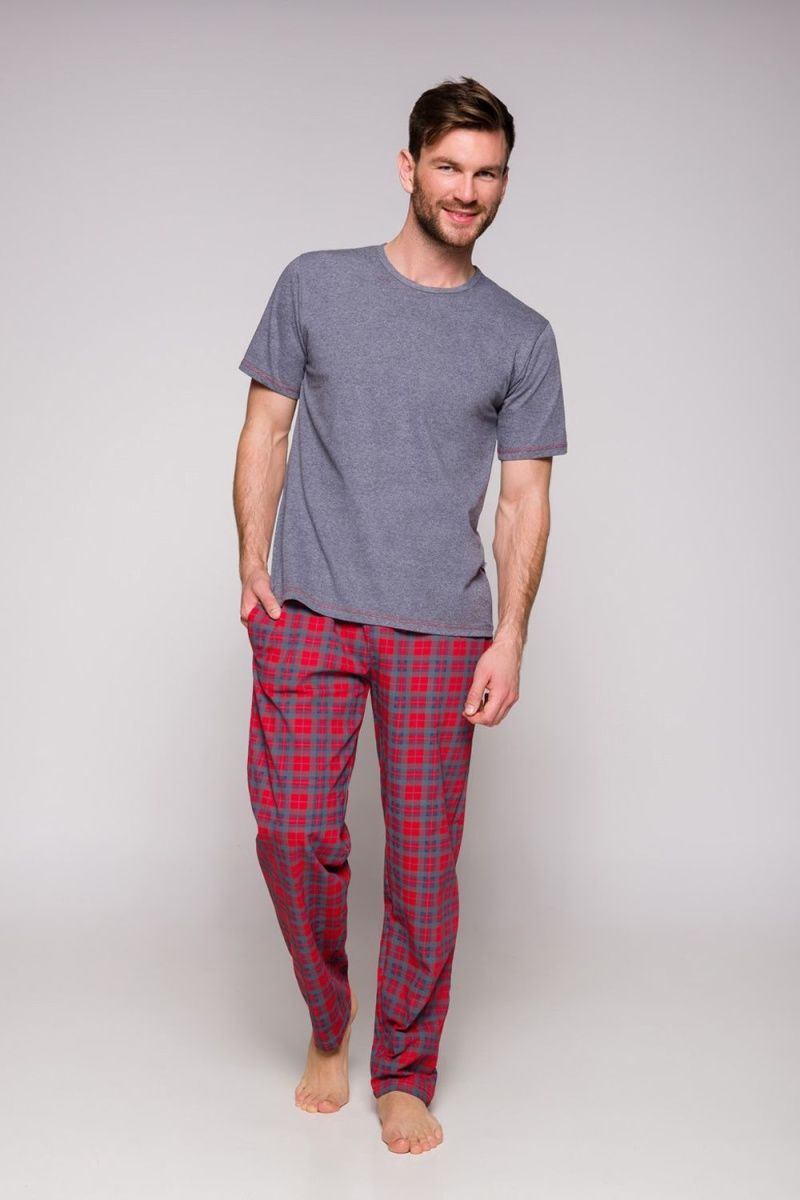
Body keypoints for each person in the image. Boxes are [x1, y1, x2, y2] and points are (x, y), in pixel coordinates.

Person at [231, 75, 568, 1155]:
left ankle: (405, 1072)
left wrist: (510, 635)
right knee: (293, 833)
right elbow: (266, 429)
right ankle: (328, 1022)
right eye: (449, 166)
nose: (466, 190)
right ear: (407, 167)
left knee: (423, 869)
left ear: (503, 183)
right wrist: (251, 563)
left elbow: (523, 498)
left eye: (487, 173)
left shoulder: (520, 335)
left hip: (443, 628)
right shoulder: (316, 284)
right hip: (311, 610)